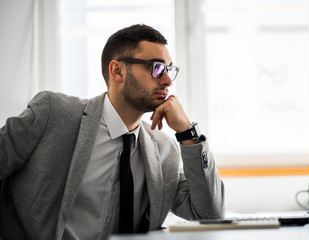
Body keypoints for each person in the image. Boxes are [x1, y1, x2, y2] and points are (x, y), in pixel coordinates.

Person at [0, 24, 225, 240]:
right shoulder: (53, 114)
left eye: (169, 70)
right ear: (117, 71)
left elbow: (209, 214)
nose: (167, 81)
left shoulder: (165, 151)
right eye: (157, 68)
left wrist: (187, 133)